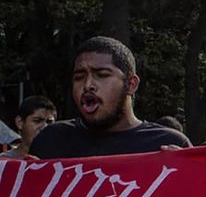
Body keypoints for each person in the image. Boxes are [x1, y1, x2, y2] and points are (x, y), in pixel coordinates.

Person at [31, 36, 191, 159]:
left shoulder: (167, 143)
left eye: (102, 75)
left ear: (131, 84)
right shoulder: (50, 140)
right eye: (79, 77)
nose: (88, 85)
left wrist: (189, 172)